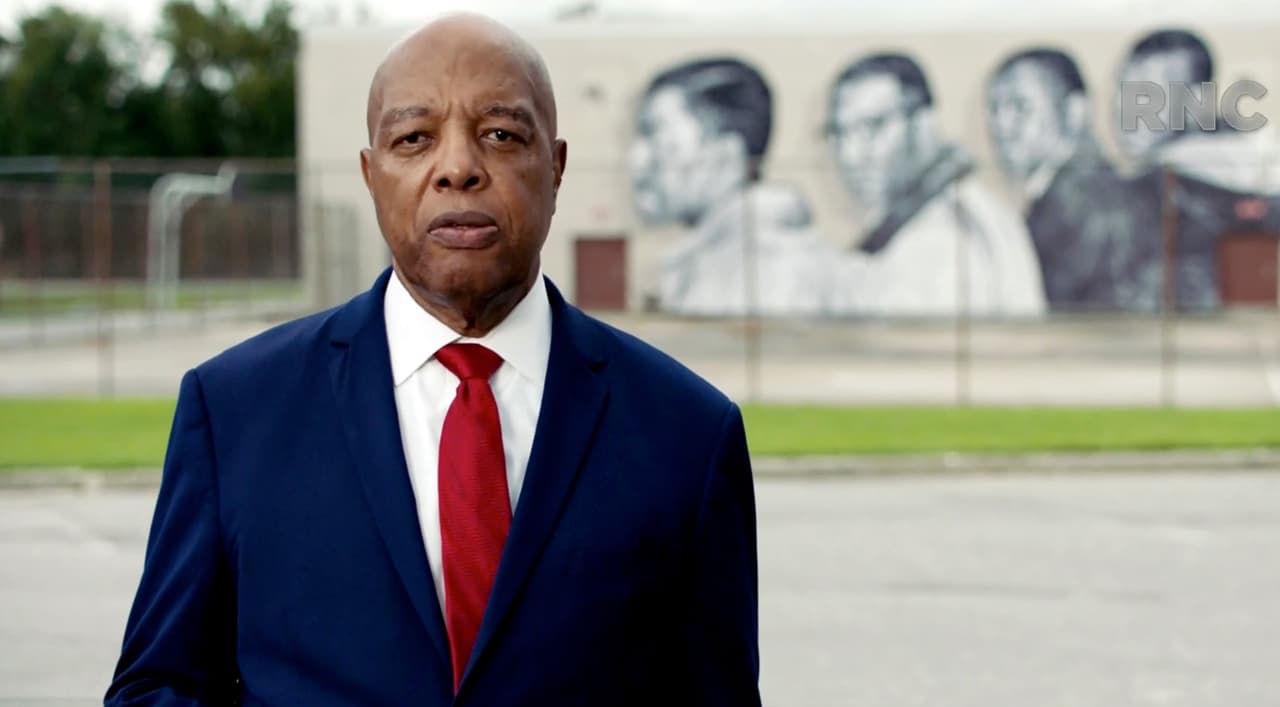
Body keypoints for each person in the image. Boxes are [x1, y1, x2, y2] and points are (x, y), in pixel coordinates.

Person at [106, 14, 761, 707]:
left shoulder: (689, 433)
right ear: (371, 173)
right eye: (414, 138)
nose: (457, 167)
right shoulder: (235, 411)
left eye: (502, 135)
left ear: (557, 166)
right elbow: (159, 686)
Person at [826, 52, 1046, 317]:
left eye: (873, 128)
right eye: (839, 133)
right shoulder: (961, 207)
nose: (850, 156)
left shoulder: (942, 238)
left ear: (923, 124)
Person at [629, 57, 840, 316]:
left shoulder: (766, 268)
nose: (637, 161)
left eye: (654, 135)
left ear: (726, 152)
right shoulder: (714, 261)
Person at [1113, 28, 1280, 310]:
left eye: (1151, 93)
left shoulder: (1161, 186)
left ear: (1197, 99)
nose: (1127, 109)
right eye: (1123, 89)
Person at [987, 48, 1158, 311]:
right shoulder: (1096, 190)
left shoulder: (1079, 203)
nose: (1001, 127)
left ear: (1075, 110)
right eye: (995, 109)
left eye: (1020, 107)